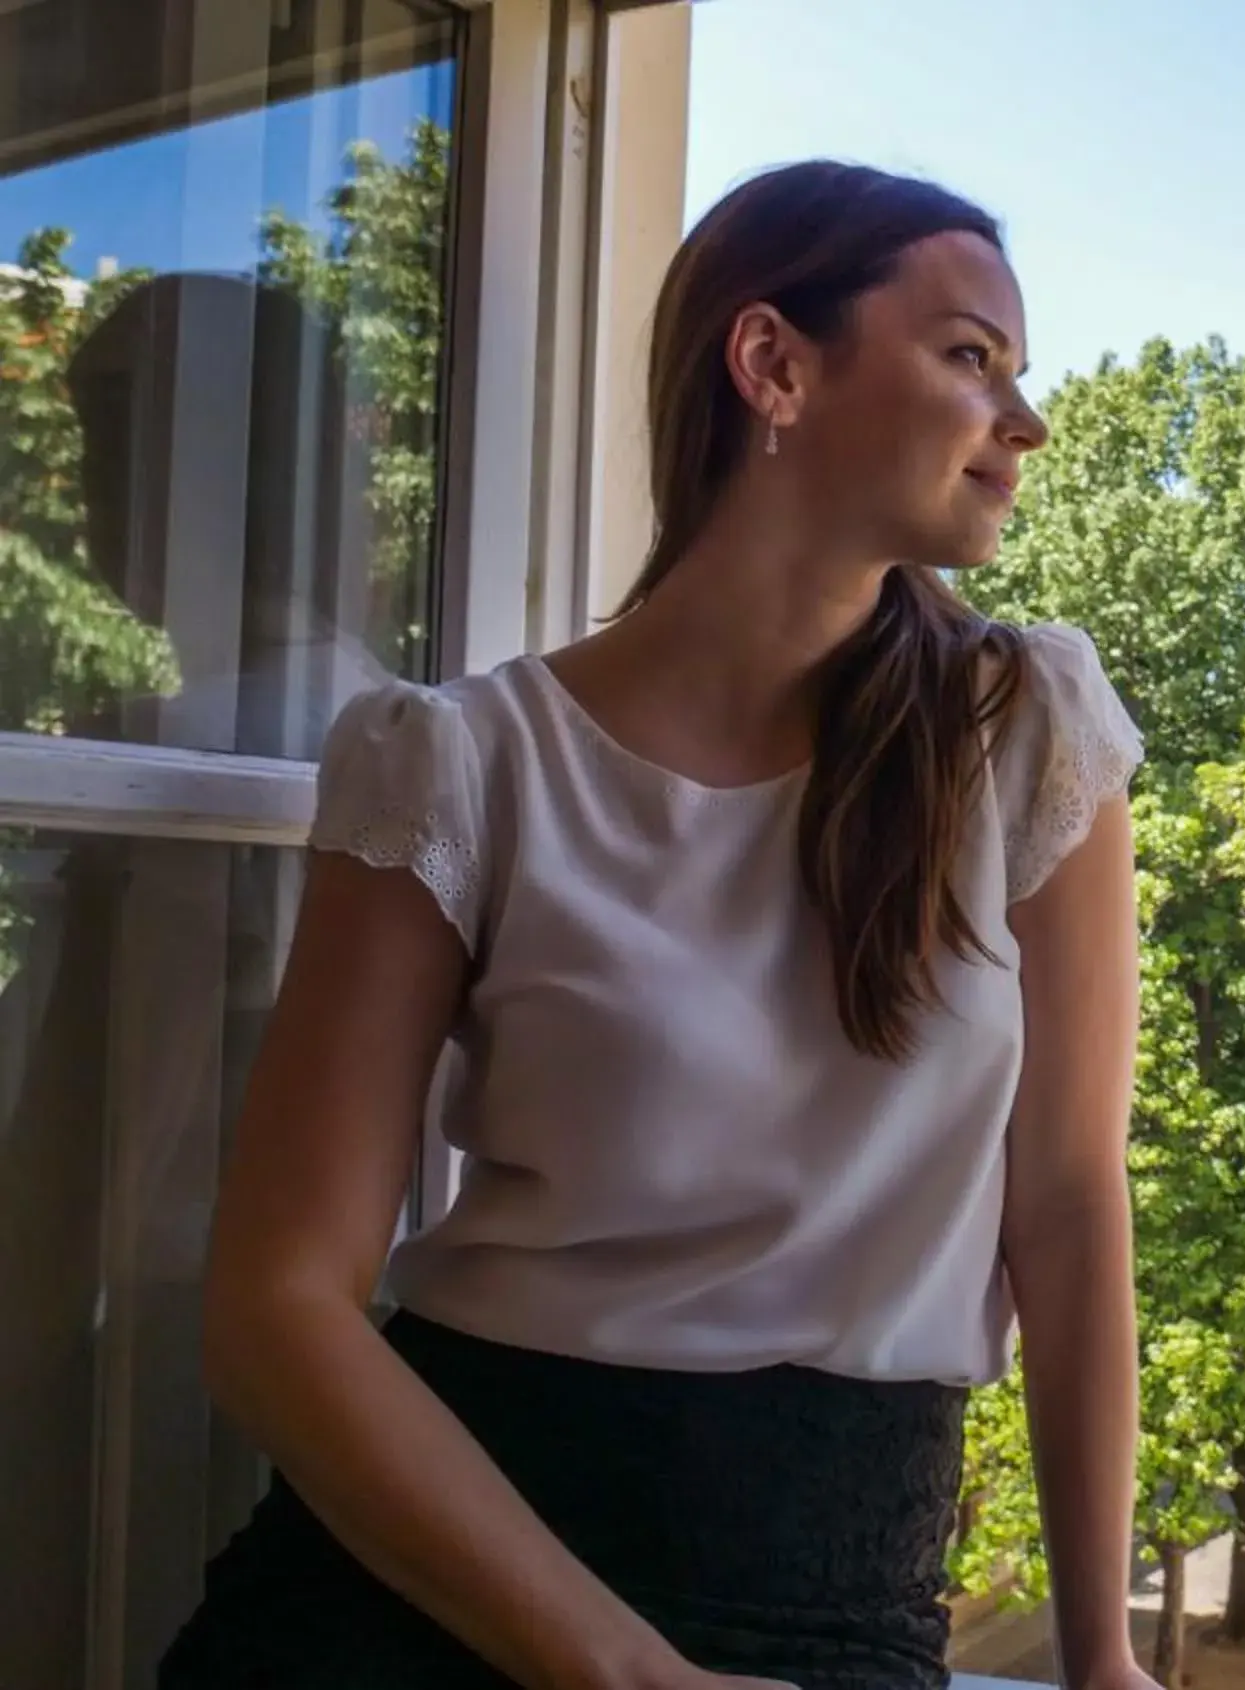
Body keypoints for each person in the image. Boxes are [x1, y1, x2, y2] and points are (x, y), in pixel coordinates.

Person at [156, 162, 1160, 1690]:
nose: (1021, 423)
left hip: (837, 1593)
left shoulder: (1025, 733)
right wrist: (618, 1670)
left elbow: (1072, 1203)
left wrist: (1106, 1655)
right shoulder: (458, 765)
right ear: (774, 364)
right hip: (424, 1585)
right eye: (971, 356)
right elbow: (273, 1300)